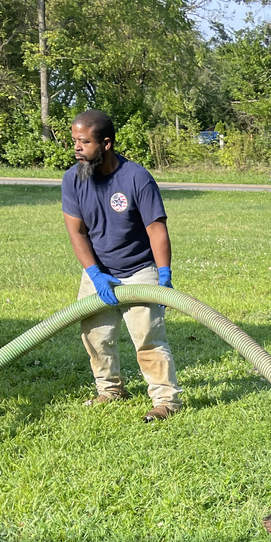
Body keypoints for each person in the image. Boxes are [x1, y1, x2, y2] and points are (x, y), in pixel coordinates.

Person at [61, 109, 181, 420]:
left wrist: (163, 274)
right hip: (99, 271)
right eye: (74, 141)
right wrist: (95, 274)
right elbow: (76, 232)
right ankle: (110, 389)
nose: (77, 148)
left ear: (106, 143)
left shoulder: (136, 177)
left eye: (84, 142)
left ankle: (166, 401)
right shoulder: (73, 179)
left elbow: (157, 229)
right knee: (95, 335)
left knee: (148, 338)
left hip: (139, 270)